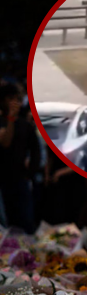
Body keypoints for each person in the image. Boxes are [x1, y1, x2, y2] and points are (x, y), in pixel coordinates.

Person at [0, 85, 40, 233]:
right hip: (3, 180)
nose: (13, 102)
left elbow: (35, 151)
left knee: (26, 221)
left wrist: (31, 173)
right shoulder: (2, 122)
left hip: (21, 179)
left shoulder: (25, 125)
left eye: (16, 99)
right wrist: (10, 118)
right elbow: (5, 142)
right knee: (7, 224)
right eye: (10, 99)